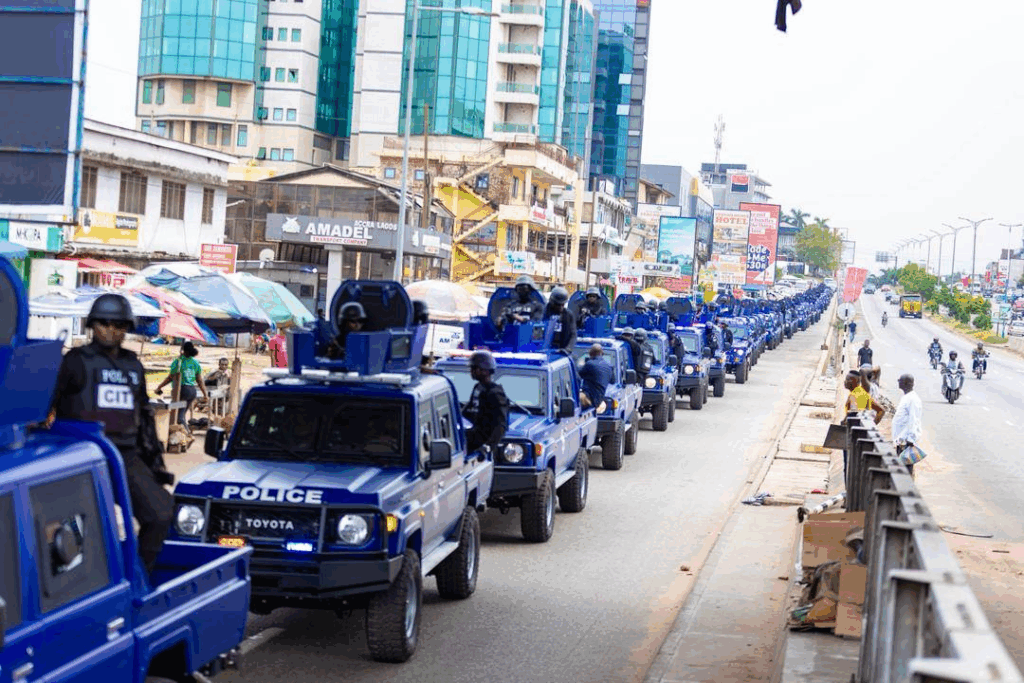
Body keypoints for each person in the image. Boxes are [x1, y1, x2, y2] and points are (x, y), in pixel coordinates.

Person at [49, 294, 173, 573]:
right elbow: (49, 403)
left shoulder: (133, 366)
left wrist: (155, 464)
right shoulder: (76, 361)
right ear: (93, 325)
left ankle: (137, 574)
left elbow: (145, 417)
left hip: (125, 456)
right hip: (82, 455)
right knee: (82, 526)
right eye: (104, 323)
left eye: (118, 325)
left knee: (162, 513)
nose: (111, 330)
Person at [463, 350, 509, 453]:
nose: (472, 371)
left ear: (485, 371)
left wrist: (488, 446)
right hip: (470, 442)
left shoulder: (495, 393)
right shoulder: (478, 388)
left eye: (475, 368)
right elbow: (466, 413)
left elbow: (501, 425)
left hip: (482, 447)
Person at [155, 341, 208, 429]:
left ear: (183, 350)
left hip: (182, 390)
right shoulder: (195, 362)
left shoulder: (178, 362)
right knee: (181, 414)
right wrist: (205, 394)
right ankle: (178, 433)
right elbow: (199, 380)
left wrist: (159, 387)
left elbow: (170, 377)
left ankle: (186, 435)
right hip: (192, 391)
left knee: (178, 417)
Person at [892, 373, 923, 476]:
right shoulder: (907, 397)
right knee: (901, 468)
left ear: (906, 383)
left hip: (906, 441)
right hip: (901, 440)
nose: (898, 382)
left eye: (900, 380)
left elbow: (914, 420)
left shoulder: (913, 399)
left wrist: (910, 439)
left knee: (905, 470)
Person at [578, 343, 613, 409]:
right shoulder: (609, 366)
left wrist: (580, 365)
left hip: (589, 398)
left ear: (591, 353)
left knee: (573, 398)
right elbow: (612, 381)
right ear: (602, 353)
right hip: (600, 399)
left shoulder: (590, 364)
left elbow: (577, 376)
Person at [544, 286, 577, 354]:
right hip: (544, 350)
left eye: (562, 304)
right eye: (557, 305)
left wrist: (568, 349)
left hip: (562, 351)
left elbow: (573, 334)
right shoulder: (543, 313)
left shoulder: (568, 315)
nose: (560, 307)